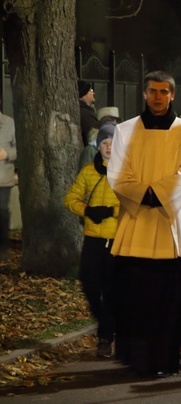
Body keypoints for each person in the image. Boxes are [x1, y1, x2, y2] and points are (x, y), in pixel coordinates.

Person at [107, 71, 181, 377]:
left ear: (173, 95)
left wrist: (157, 194)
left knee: (168, 300)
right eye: (152, 91)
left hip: (170, 224)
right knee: (134, 299)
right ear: (145, 94)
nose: (158, 96)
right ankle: (136, 360)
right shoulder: (125, 130)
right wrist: (144, 194)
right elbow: (117, 172)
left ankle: (163, 360)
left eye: (164, 91)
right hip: (135, 223)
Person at [64, 123, 118, 357]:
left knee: (111, 288)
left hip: (118, 240)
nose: (108, 147)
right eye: (104, 143)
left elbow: (134, 202)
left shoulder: (127, 171)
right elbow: (70, 198)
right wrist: (88, 210)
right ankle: (107, 321)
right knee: (90, 283)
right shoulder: (88, 171)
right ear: (98, 146)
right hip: (93, 238)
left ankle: (105, 338)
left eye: (112, 143)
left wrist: (112, 211)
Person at [0, 103, 15, 262]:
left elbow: (20, 149)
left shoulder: (9, 123)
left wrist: (7, 154)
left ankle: (2, 249)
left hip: (3, 179)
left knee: (2, 213)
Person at [78, 79, 98, 146]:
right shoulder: (85, 113)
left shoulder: (86, 110)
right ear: (84, 94)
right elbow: (94, 134)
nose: (93, 93)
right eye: (91, 90)